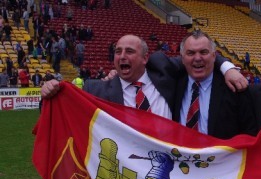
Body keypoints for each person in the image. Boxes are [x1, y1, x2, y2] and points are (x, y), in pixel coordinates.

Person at [41, 34, 248, 123]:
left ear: (145, 58)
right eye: (118, 51)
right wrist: (48, 93)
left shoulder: (163, 71)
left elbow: (197, 56)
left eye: (129, 51)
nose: (122, 56)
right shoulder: (96, 89)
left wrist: (227, 67)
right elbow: (60, 109)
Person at [149, 30, 257, 139]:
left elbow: (249, 133)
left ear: (214, 56)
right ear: (182, 58)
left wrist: (226, 67)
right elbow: (156, 60)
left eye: (203, 52)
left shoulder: (233, 88)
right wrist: (225, 65)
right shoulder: (173, 82)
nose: (197, 58)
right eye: (191, 53)